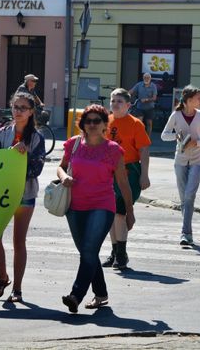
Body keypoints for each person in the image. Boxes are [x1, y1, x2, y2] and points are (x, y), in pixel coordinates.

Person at [58, 104, 134, 313]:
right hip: (75, 206)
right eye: (88, 121)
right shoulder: (73, 144)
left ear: (104, 124)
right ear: (82, 124)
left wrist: (129, 211)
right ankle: (101, 294)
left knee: (90, 250)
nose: (91, 124)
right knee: (87, 252)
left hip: (102, 205)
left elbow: (123, 183)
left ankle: (76, 294)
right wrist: (64, 177)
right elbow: (61, 167)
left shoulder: (112, 150)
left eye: (96, 121)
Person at [0, 93, 46, 302]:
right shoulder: (3, 133)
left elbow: (36, 169)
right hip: (0, 194)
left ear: (31, 112)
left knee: (18, 241)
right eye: (15, 107)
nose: (18, 111)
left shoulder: (37, 138)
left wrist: (22, 157)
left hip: (25, 194)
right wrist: (11, 155)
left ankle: (17, 289)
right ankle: (3, 277)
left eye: (23, 107)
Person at [102, 88, 151, 269]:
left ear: (128, 105)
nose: (114, 104)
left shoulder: (135, 124)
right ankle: (115, 252)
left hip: (130, 170)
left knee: (120, 211)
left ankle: (121, 255)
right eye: (113, 100)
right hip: (108, 172)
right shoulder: (105, 121)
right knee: (110, 213)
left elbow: (144, 150)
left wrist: (145, 174)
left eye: (119, 101)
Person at [161, 85, 200, 245]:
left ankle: (185, 233)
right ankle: (186, 232)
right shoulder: (176, 115)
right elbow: (164, 135)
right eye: (198, 98)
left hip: (197, 160)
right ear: (189, 101)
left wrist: (197, 143)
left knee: (190, 195)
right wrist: (176, 136)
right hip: (180, 161)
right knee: (184, 198)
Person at [129, 72, 158, 137]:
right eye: (145, 77)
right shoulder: (139, 85)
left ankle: (147, 139)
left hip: (150, 108)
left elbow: (154, 98)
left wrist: (146, 100)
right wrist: (125, 94)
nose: (146, 79)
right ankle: (139, 138)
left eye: (148, 78)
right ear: (143, 78)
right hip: (140, 107)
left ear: (150, 78)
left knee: (149, 124)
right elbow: (131, 91)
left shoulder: (153, 86)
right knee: (139, 123)